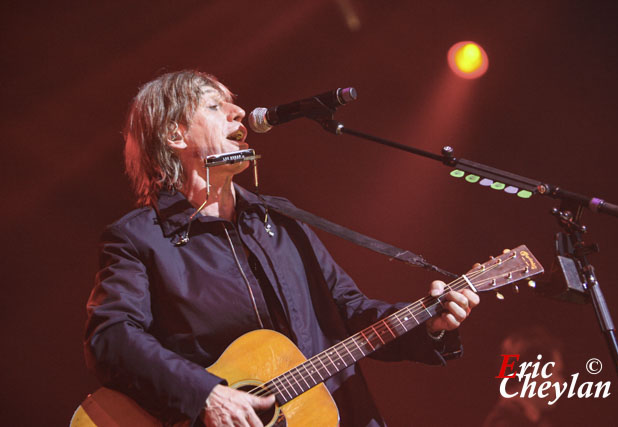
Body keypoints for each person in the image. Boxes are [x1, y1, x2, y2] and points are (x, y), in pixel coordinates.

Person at [84, 70, 479, 427]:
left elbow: (350, 311)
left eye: (233, 103)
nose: (238, 112)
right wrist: (204, 393)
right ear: (175, 135)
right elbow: (112, 337)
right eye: (214, 105)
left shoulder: (280, 218)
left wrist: (428, 326)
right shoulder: (139, 239)